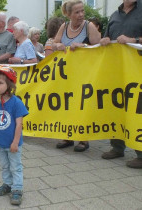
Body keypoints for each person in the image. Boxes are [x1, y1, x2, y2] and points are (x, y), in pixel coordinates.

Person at [52, 0, 101, 152]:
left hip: (85, 74)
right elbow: (54, 42)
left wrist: (84, 46)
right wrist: (58, 45)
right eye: (77, 12)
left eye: (82, 11)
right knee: (67, 104)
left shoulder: (89, 26)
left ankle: (83, 139)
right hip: (67, 75)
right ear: (68, 14)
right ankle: (67, 136)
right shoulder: (64, 26)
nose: (81, 15)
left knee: (82, 104)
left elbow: (100, 49)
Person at [100, 0, 142, 169]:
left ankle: (140, 152)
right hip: (116, 72)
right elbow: (106, 36)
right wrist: (105, 40)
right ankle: (117, 146)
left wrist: (134, 39)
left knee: (137, 109)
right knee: (117, 106)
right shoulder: (114, 15)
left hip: (137, 72)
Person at [0, 65, 28, 205]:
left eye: (0, 83)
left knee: (15, 166)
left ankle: (17, 189)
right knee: (4, 166)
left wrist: (15, 142)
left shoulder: (16, 103)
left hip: (12, 144)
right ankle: (8, 184)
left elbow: (19, 124)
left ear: (9, 85)